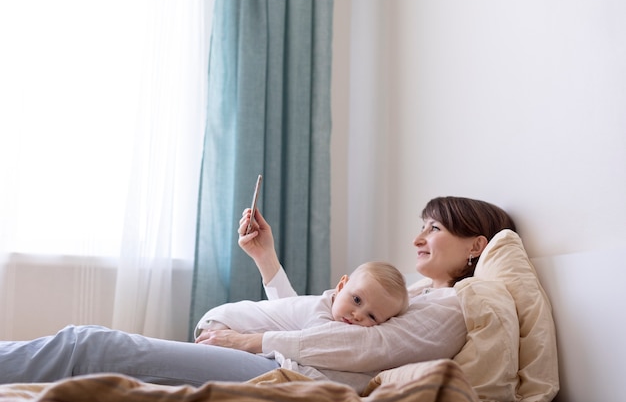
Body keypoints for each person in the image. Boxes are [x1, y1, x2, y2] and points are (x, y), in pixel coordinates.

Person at [0, 196, 516, 393]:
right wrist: (266, 260)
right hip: (285, 362)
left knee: (92, 346)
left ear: (476, 244)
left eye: (434, 228)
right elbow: (312, 326)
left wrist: (245, 343)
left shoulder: (454, 304)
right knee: (100, 353)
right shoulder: (419, 293)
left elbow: (366, 350)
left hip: (293, 376)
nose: (418, 238)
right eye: (421, 225)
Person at [196, 261, 410, 335]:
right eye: (356, 300)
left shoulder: (328, 308)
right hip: (227, 323)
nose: (357, 315)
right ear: (341, 285)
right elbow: (310, 347)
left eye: (372, 316)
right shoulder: (319, 315)